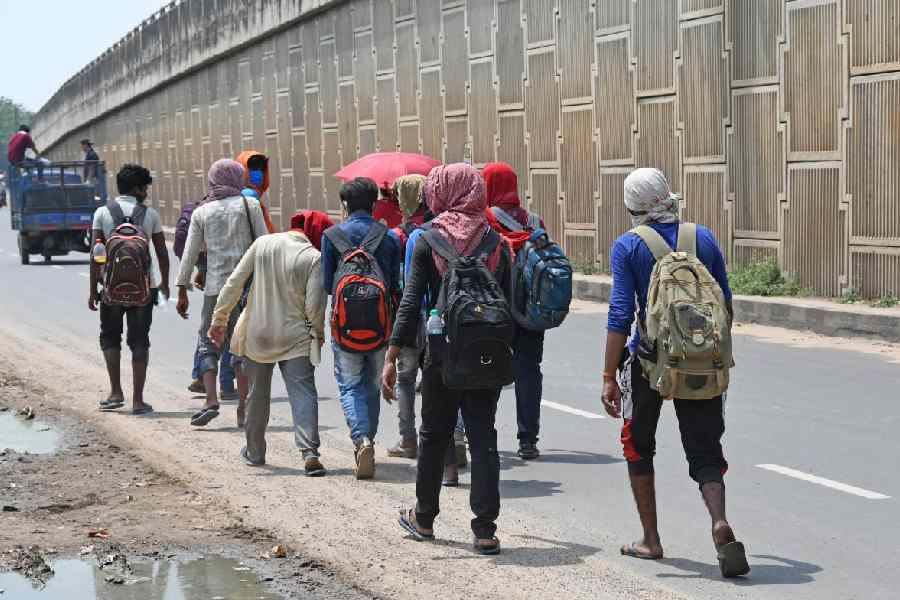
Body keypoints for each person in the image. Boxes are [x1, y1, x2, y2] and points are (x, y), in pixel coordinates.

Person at [600, 167, 748, 577]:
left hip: (647, 363)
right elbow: (725, 301)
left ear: (631, 206)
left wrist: (609, 375)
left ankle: (651, 539)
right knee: (704, 449)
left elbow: (619, 314)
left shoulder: (628, 246)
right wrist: (707, 353)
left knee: (638, 444)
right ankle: (718, 520)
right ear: (667, 195)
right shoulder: (702, 237)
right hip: (699, 362)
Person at [382, 163, 513, 555]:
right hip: (486, 356)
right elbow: (508, 304)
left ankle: (424, 519)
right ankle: (485, 530)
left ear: (441, 192)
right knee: (483, 437)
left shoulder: (426, 239)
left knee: (434, 436)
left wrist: (392, 355)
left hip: (440, 355)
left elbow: (410, 302)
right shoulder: (497, 242)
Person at [209, 209, 327, 475]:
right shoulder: (313, 257)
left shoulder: (262, 243)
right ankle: (309, 453)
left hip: (258, 333)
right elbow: (314, 308)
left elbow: (234, 282)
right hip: (296, 336)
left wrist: (219, 320)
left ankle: (254, 451)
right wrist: (317, 334)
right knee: (303, 392)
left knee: (256, 395)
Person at [176, 159, 267, 428]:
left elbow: (191, 254)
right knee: (241, 346)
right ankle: (242, 407)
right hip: (245, 288)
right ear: (239, 178)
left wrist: (182, 289)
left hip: (215, 289)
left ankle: (211, 400)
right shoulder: (250, 205)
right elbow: (263, 244)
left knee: (208, 343)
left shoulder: (202, 212)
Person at [321, 177, 401, 480]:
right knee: (372, 384)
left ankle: (361, 440)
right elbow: (394, 284)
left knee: (350, 384)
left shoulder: (331, 236)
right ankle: (369, 438)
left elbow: (329, 285)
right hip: (382, 327)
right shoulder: (389, 237)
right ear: (374, 203)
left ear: (344, 204)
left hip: (345, 328)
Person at [89, 164, 169, 415]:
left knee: (110, 337)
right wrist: (164, 283)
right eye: (144, 187)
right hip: (143, 290)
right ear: (136, 189)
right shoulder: (150, 215)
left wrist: (93, 289)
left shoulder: (102, 212)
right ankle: (138, 400)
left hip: (111, 289)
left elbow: (96, 255)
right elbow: (161, 253)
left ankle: (115, 392)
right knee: (139, 341)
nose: (146, 192)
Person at [483, 162, 546, 461]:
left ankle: (484, 434)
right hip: (531, 309)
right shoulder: (534, 220)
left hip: (496, 310)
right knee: (529, 372)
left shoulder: (485, 220)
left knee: (489, 370)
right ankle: (528, 440)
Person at [386, 174, 429, 460]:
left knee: (404, 379)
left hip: (408, 318)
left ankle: (408, 440)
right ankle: (449, 438)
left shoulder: (395, 236)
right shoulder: (437, 230)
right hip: (437, 315)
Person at [236, 150, 277, 233]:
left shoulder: (242, 194)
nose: (258, 172)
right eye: (253, 168)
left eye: (261, 168)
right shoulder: (249, 195)